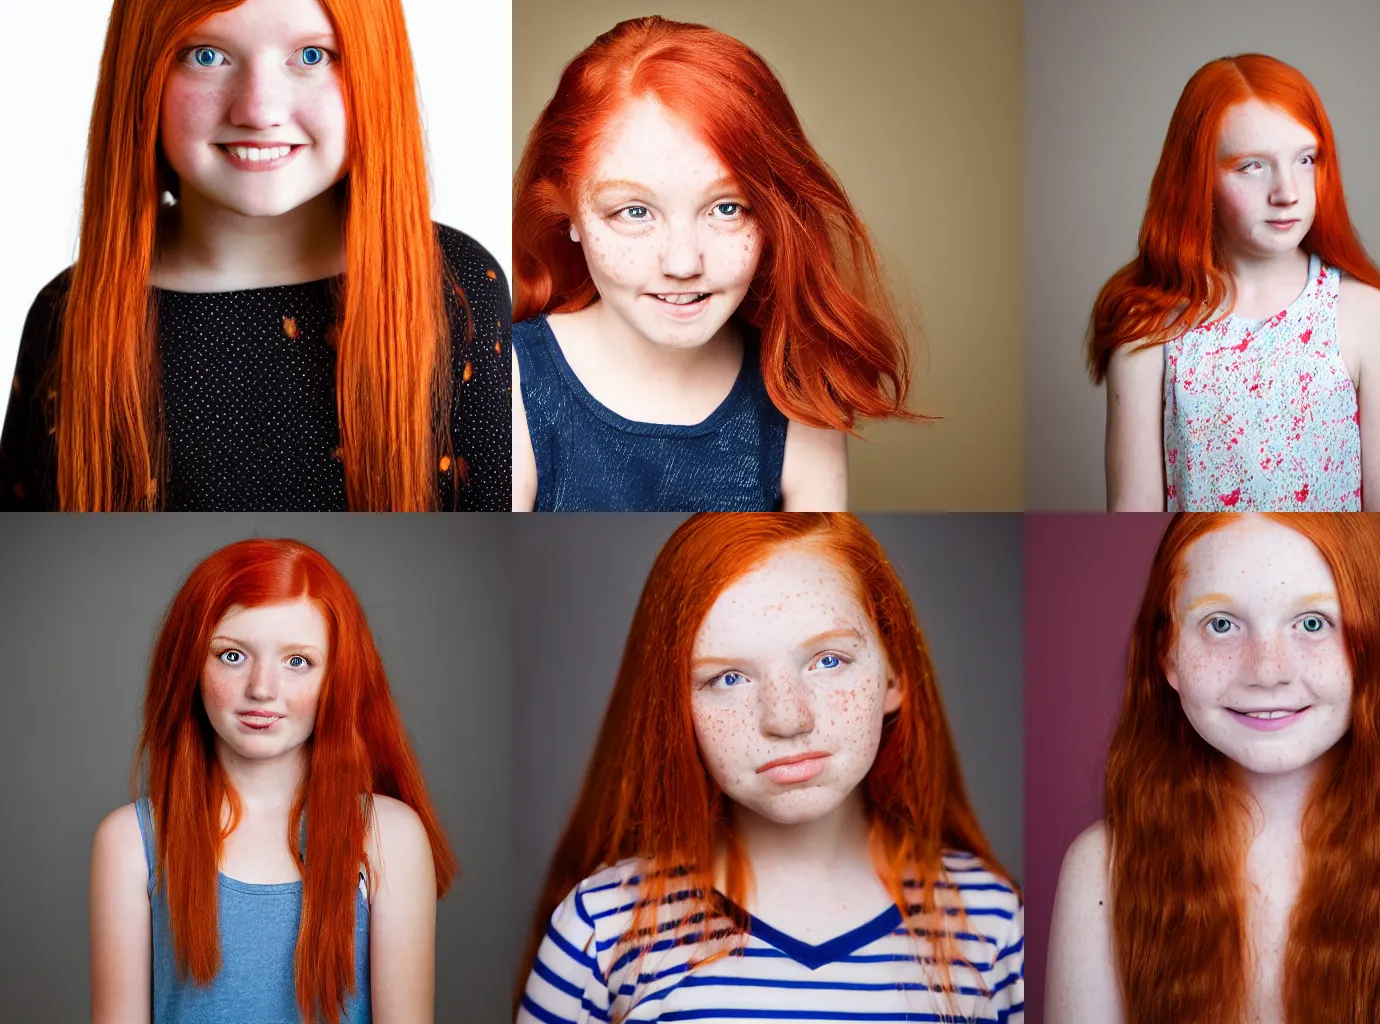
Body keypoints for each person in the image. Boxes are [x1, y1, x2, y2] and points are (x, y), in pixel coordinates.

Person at [1, 0, 511, 511]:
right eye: (205, 55)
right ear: (140, 73)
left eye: (312, 55)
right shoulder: (65, 316)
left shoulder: (458, 286)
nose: (259, 111)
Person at [517, 514, 1023, 1021]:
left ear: (894, 674)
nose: (786, 720)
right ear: (675, 706)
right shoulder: (602, 928)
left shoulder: (993, 925)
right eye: (729, 678)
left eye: (828, 660)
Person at [1044, 513, 1380, 1023]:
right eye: (1220, 624)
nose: (1267, 671)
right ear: (1168, 653)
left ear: (1375, 643)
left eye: (1313, 623)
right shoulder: (1100, 871)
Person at [510, 18, 922, 512]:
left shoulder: (796, 389)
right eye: (634, 212)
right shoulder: (509, 380)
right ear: (567, 213)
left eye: (727, 208)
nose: (683, 263)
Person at [88, 538, 457, 1023]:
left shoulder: (390, 838)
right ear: (190, 666)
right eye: (232, 656)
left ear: (337, 679)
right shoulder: (129, 843)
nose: (262, 688)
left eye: (297, 661)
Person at [1091, 55, 1380, 512]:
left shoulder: (1367, 317)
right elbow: (1132, 522)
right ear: (1197, 178)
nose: (1287, 192)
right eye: (1251, 166)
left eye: (1304, 159)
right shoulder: (1149, 329)